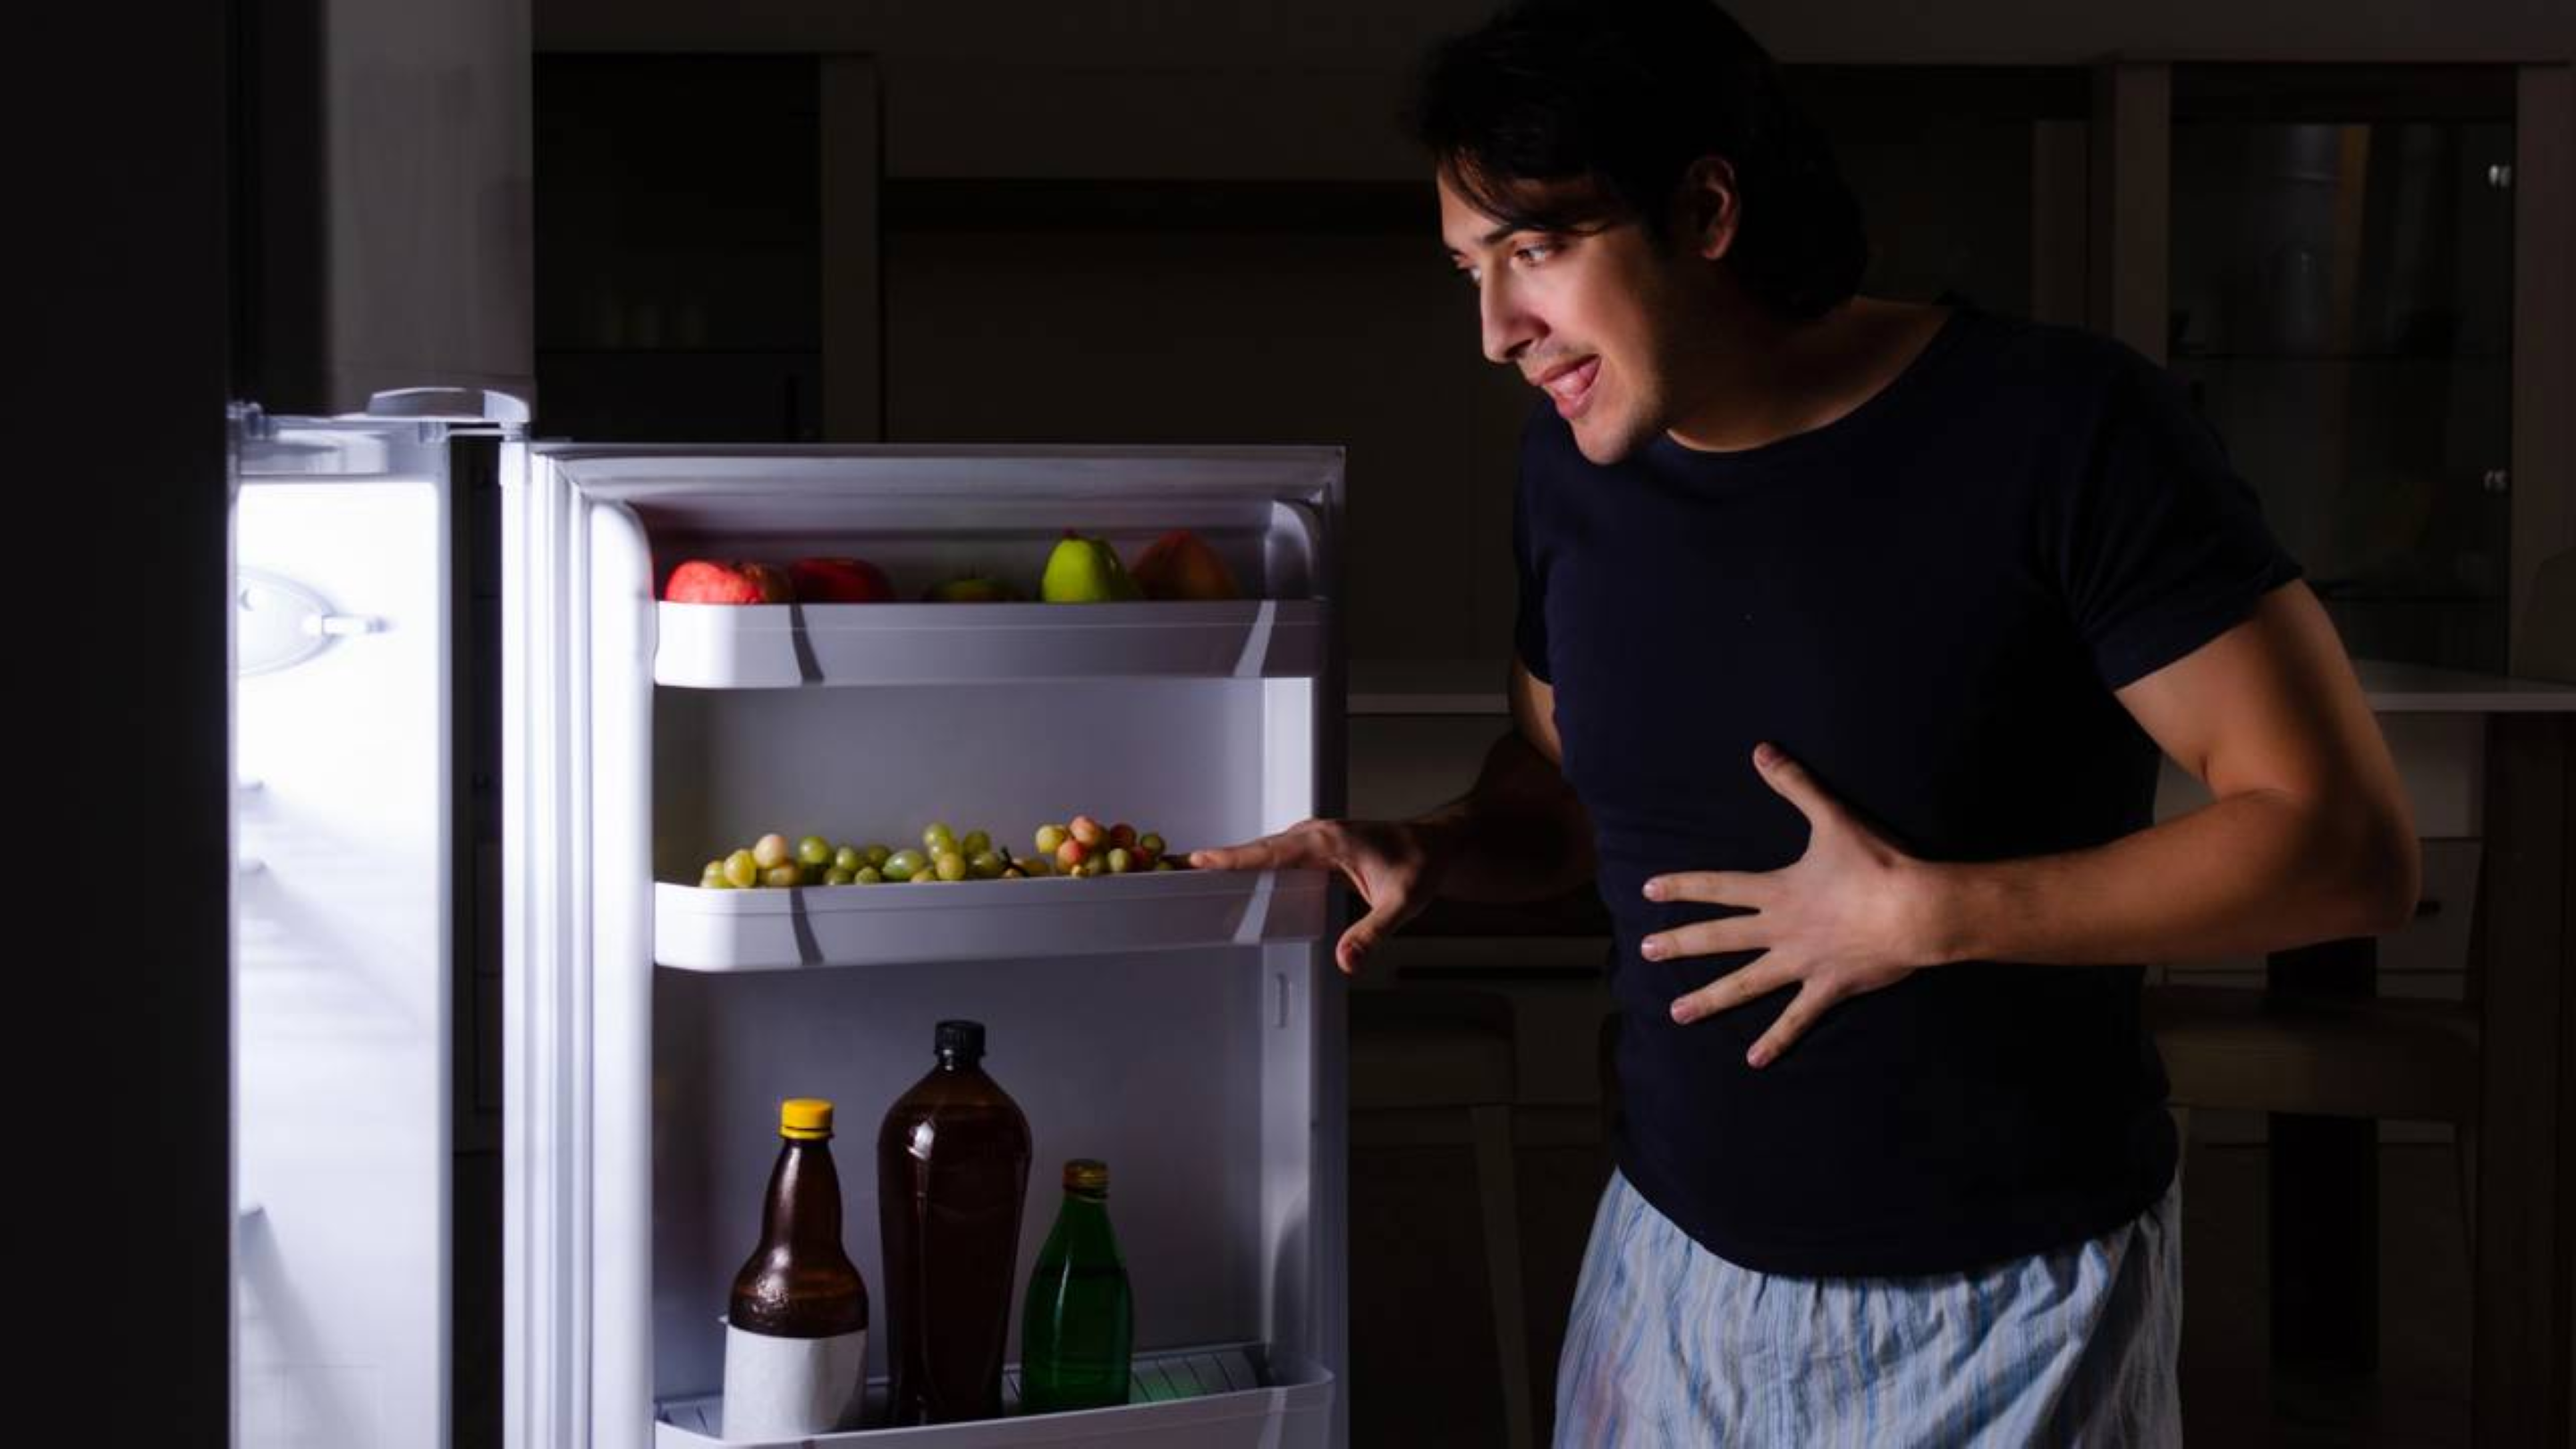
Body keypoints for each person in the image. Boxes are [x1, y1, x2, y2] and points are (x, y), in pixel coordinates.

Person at [1189, 0, 2422, 1442]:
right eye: (1472, 269)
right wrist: (1444, 846)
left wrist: (1928, 916)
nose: (1496, 332)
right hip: (1665, 1274)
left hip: (2003, 1304)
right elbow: (1570, 782)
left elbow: (2345, 847)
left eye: (1536, 250)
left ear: (1706, 210)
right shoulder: (1573, 472)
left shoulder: (2067, 428)